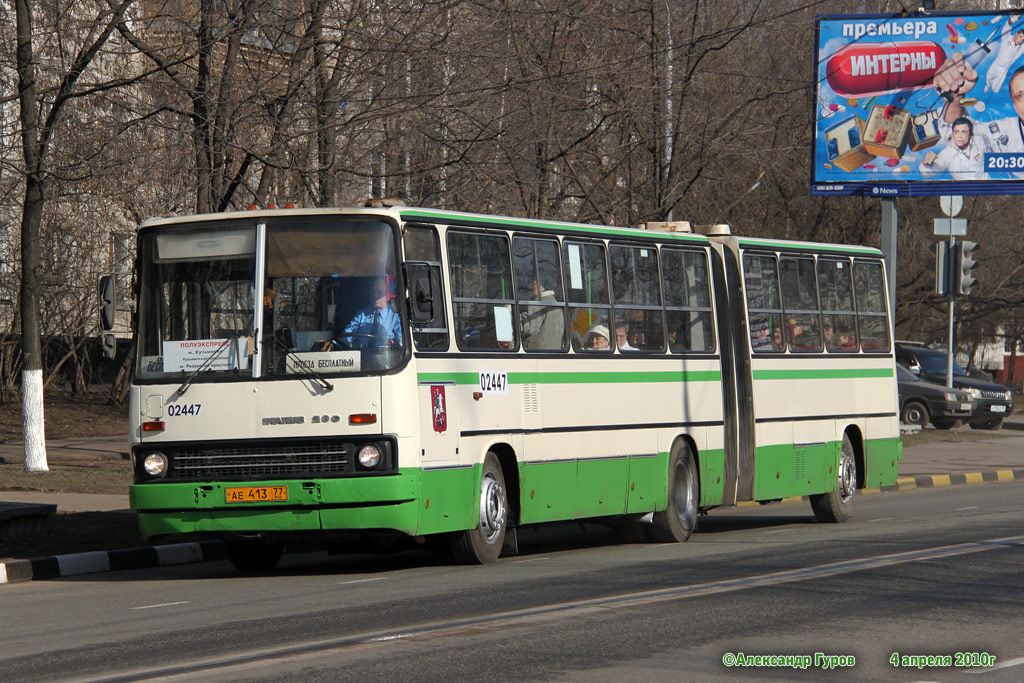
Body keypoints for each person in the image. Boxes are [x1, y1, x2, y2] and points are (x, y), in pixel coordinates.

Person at [934, 55, 1024, 178]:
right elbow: (959, 136)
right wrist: (954, 98)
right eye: (1020, 95)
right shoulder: (1005, 133)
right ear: (1014, 105)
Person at [918, 116, 990, 180]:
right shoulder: (948, 154)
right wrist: (925, 164)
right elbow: (926, 173)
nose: (959, 136)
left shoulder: (979, 142)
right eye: (956, 132)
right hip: (967, 192)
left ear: (971, 134)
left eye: (964, 132)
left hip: (987, 189)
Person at [341, 278, 402, 349]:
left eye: (379, 292)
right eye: (373, 292)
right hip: (364, 357)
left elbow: (401, 339)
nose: (375, 296)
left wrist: (395, 342)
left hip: (387, 357)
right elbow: (347, 336)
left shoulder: (395, 315)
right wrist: (332, 344)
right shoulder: (361, 315)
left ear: (387, 295)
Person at [521, 278, 564, 349]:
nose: (529, 287)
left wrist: (516, 316)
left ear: (543, 287)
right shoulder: (555, 303)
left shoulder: (540, 303)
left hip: (537, 353)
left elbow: (529, 329)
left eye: (533, 284)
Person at [985, 16, 1024, 94]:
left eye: (1022, 40)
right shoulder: (1007, 38)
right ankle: (988, 85)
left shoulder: (1021, 48)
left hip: (1003, 70)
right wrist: (1011, 21)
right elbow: (1006, 29)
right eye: (1020, 37)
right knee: (988, 76)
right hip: (996, 63)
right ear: (1016, 34)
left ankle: (992, 87)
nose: (1020, 40)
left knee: (995, 90)